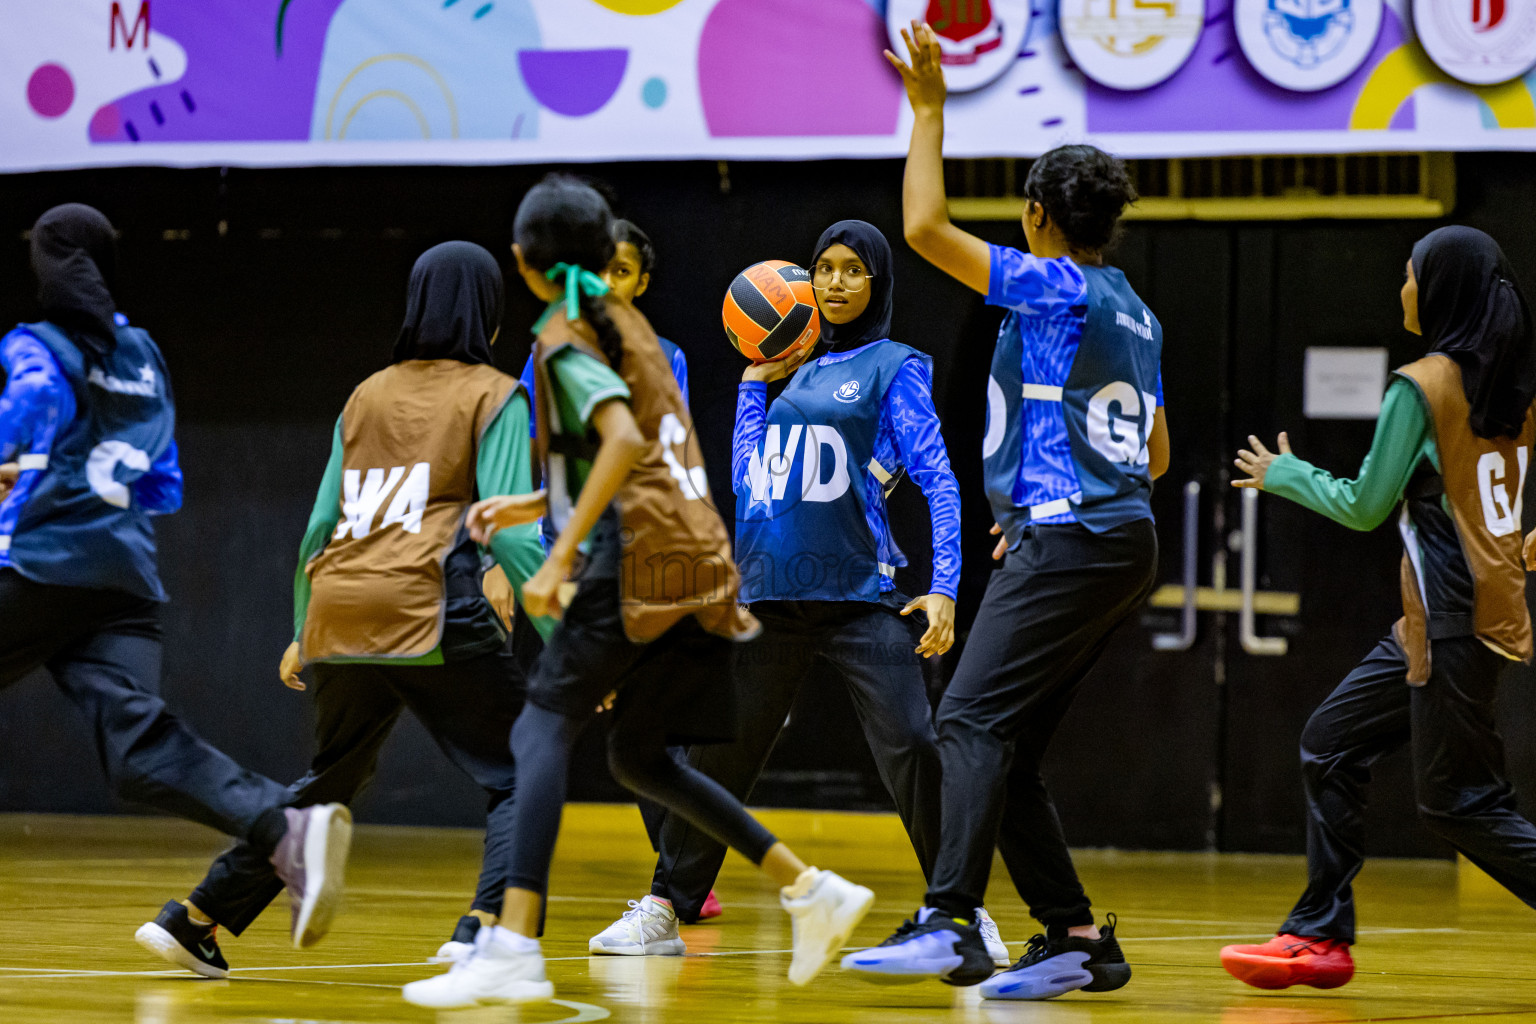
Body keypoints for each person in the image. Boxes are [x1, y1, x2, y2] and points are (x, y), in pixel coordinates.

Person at [401, 175, 873, 1008]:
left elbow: (619, 444)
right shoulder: (638, 334)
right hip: (691, 556)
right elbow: (650, 451)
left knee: (541, 729)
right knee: (640, 755)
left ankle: (510, 941)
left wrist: (559, 554)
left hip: (637, 556)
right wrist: (526, 507)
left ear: (526, 261)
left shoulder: (567, 332)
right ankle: (809, 889)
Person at [843, 23, 1168, 1000]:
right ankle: (1074, 937)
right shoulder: (1135, 309)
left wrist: (931, 111)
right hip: (1119, 536)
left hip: (1070, 537)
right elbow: (1151, 448)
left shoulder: (1054, 283)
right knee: (1009, 743)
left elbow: (924, 230)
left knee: (968, 718)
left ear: (1036, 218)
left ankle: (950, 921)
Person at [589, 218, 1011, 964]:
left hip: (858, 596)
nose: (835, 282)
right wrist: (753, 392)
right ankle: (665, 906)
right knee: (719, 756)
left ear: (876, 282)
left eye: (853, 269)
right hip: (770, 598)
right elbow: (752, 485)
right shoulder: (785, 370)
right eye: (824, 268)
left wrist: (945, 585)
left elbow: (940, 479)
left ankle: (962, 910)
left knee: (913, 746)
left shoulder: (895, 365)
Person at [131, 241, 553, 977]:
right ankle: (483, 929)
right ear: (490, 314)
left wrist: (304, 628)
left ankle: (196, 919)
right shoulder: (496, 394)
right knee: (525, 766)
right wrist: (569, 633)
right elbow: (514, 534)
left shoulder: (366, 395)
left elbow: (319, 527)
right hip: (427, 604)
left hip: (340, 609)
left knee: (331, 781)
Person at [0, 203, 350, 962]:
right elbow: (162, 486)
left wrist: (21, 466)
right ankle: (280, 825)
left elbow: (31, 406)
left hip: (40, 563)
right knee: (139, 753)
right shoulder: (145, 351)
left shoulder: (37, 344)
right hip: (124, 581)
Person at [1220, 226, 1536, 990]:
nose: (1401, 289)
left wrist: (1287, 473)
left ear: (1440, 289)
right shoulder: (1514, 388)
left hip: (1455, 622)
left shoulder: (1422, 385)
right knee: (1329, 743)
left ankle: (1319, 932)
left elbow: (1365, 505)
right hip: (1454, 622)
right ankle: (1319, 935)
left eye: (1409, 275)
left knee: (1459, 804)